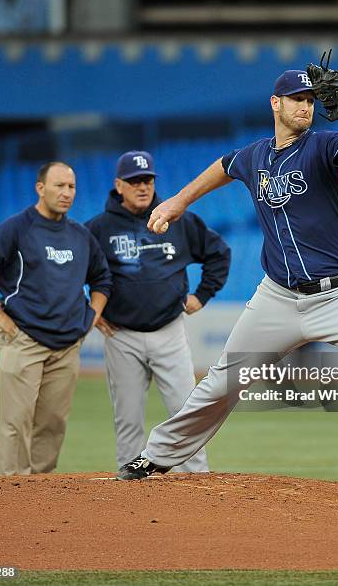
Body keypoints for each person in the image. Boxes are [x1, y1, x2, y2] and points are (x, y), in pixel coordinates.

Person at [117, 69, 338, 498]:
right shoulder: (256, 155)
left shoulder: (323, 147)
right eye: (296, 98)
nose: (305, 106)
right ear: (275, 104)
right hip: (277, 296)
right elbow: (224, 166)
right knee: (223, 381)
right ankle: (158, 456)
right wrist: (178, 201)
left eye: (311, 99)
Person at [0, 162, 112, 476]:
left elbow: (102, 279)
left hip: (67, 344)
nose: (66, 193)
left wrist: (90, 318)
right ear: (40, 188)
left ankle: (39, 495)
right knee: (15, 423)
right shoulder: (17, 228)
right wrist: (0, 319)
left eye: (71, 187)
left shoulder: (80, 235)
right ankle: (9, 494)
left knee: (52, 423)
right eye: (59, 186)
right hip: (25, 339)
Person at [86, 150, 230, 475]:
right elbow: (71, 274)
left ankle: (194, 482)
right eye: (135, 181)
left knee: (186, 413)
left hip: (169, 331)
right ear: (118, 185)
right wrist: (90, 310)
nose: (143, 186)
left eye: (148, 179)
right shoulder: (98, 228)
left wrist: (202, 296)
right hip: (122, 336)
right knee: (128, 418)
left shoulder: (178, 219)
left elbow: (219, 253)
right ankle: (131, 490)